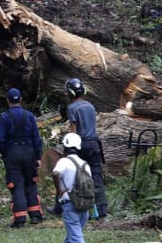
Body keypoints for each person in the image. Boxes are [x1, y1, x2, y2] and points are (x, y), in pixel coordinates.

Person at [0, 87, 44, 228]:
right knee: (31, 182)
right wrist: (38, 156)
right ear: (20, 100)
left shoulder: (4, 117)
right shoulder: (29, 116)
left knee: (16, 185)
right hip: (29, 151)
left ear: (7, 101)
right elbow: (36, 138)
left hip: (12, 152)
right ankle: (35, 215)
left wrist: (6, 152)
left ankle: (20, 218)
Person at [65, 78, 107, 218]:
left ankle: (70, 205)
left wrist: (69, 147)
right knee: (96, 175)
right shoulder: (90, 106)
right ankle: (102, 208)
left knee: (74, 174)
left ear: (70, 93)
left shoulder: (72, 108)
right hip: (94, 143)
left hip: (81, 144)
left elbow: (73, 131)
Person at [53, 133, 92, 243]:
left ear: (65, 146)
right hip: (84, 204)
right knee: (73, 235)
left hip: (70, 204)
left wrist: (59, 190)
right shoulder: (85, 164)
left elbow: (55, 173)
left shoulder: (64, 161)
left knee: (75, 238)